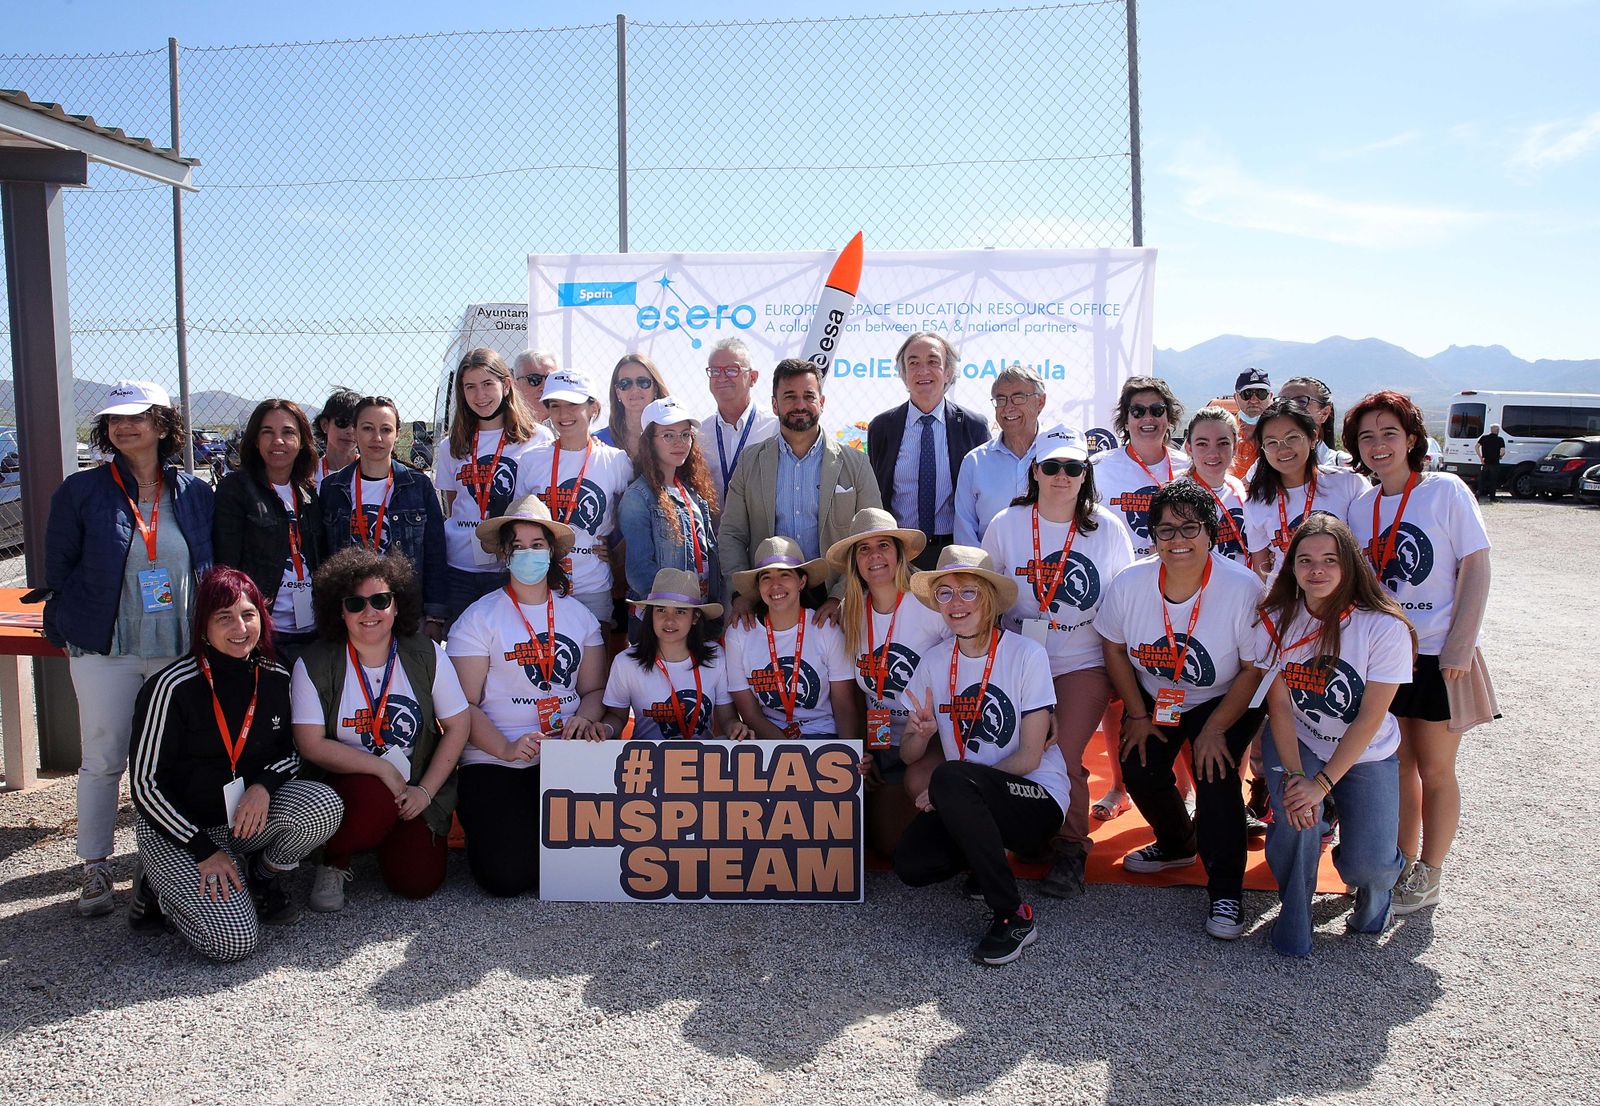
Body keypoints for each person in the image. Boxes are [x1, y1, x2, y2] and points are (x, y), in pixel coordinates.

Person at [44, 379, 215, 917]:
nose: (124, 426)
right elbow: (58, 568)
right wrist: (80, 623)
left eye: (137, 416)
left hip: (175, 646)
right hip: (106, 648)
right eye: (115, 418)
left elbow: (209, 561)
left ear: (163, 425)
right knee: (103, 754)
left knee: (166, 759)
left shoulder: (193, 492)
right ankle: (94, 868)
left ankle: (157, 864)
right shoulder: (82, 491)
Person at [127, 568, 343, 960]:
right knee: (233, 943)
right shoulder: (171, 687)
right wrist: (203, 850)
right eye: (223, 617)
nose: (239, 627)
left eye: (248, 614)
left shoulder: (275, 676)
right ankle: (154, 885)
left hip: (243, 818)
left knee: (323, 805)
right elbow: (145, 785)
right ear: (203, 626)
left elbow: (289, 753)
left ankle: (260, 878)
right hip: (183, 829)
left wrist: (263, 786)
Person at [1094, 481, 1267, 940]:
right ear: (1152, 536)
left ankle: (1227, 890)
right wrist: (1135, 712)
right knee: (1139, 766)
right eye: (1165, 530)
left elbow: (1254, 668)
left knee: (1215, 775)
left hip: (1225, 695)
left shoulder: (1241, 587)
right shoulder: (1131, 582)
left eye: (1189, 528)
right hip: (1158, 695)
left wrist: (1215, 728)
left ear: (1210, 533)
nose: (1177, 540)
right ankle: (1177, 844)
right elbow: (1112, 646)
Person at [1345, 391, 1493, 915]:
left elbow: (1476, 565)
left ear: (1412, 439)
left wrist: (1461, 643)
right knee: (1398, 764)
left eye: (1389, 433)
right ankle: (1402, 860)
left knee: (1436, 767)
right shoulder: (1361, 506)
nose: (1378, 445)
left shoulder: (1445, 490)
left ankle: (1431, 871)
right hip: (1386, 656)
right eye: (1367, 436)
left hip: (1436, 653)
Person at [892, 545, 1066, 966]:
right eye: (946, 594)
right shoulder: (934, 661)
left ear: (988, 598)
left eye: (968, 592)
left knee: (951, 778)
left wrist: (956, 788)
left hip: (1036, 798)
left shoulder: (1027, 655)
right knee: (912, 864)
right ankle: (982, 857)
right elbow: (908, 753)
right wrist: (918, 734)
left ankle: (1013, 915)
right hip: (969, 793)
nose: (956, 603)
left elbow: (1028, 757)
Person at [980, 426, 1134, 897]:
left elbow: (1124, 596)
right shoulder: (1007, 523)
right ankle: (1031, 832)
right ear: (1035, 472)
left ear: (1085, 474)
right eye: (1052, 466)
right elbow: (988, 593)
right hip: (1020, 660)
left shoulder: (1105, 527)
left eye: (1073, 467)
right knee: (1011, 750)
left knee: (1062, 753)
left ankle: (1071, 848)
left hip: (1081, 659)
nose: (1062, 476)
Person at [1256, 514, 1414, 956]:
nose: (1316, 570)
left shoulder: (1383, 626)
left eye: (1329, 559)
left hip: (1366, 752)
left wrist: (1323, 784)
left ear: (1350, 564)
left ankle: (1377, 888)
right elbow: (1280, 707)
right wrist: (1295, 778)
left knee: (1370, 864)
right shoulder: (1276, 619)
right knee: (1298, 818)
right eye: (1304, 560)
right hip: (1300, 742)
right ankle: (1294, 911)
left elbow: (1368, 718)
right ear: (1291, 567)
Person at [290, 546, 471, 911]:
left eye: (380, 600)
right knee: (373, 800)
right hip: (347, 783)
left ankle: (383, 838)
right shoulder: (314, 662)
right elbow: (309, 744)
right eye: (355, 604)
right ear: (339, 610)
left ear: (397, 604)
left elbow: (458, 725)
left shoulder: (426, 653)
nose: (369, 612)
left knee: (418, 883)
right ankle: (334, 858)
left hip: (414, 782)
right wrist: (381, 768)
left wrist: (425, 791)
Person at [446, 496, 605, 896]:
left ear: (551, 553)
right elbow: (461, 705)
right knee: (506, 879)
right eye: (519, 546)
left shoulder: (579, 616)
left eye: (538, 545)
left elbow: (594, 690)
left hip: (565, 755)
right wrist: (504, 747)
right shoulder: (479, 618)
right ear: (504, 554)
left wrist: (584, 718)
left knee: (587, 868)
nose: (529, 554)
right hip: (496, 761)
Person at [719, 358, 882, 624]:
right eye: (790, 396)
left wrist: (840, 596)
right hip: (769, 595)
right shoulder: (750, 462)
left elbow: (870, 539)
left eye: (808, 396)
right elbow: (732, 534)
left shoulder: (856, 463)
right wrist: (741, 594)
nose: (800, 405)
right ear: (774, 404)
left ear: (822, 402)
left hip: (832, 598)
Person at [830, 508, 950, 856]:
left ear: (899, 553)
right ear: (854, 561)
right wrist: (861, 753)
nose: (874, 556)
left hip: (933, 739)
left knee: (907, 841)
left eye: (883, 545)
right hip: (883, 739)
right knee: (881, 847)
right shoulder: (849, 612)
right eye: (864, 549)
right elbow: (853, 695)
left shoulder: (930, 606)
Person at [434, 348, 546, 625]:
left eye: (487, 384)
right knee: (463, 647)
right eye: (470, 387)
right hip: (459, 569)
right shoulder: (451, 446)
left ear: (506, 385)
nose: (479, 395)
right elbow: (452, 502)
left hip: (513, 566)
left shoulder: (536, 438)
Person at [319, 395, 448, 633]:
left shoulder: (418, 485)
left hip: (405, 610)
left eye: (385, 429)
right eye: (367, 428)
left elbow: (435, 553)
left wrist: (435, 616)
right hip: (352, 609)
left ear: (397, 434)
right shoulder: (332, 488)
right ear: (355, 431)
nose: (377, 438)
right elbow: (323, 554)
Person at [576, 568, 753, 741]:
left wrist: (736, 728)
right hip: (647, 763)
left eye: (680, 611)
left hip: (703, 764)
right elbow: (617, 716)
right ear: (650, 615)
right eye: (660, 610)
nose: (669, 620)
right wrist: (605, 729)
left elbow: (727, 718)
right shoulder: (626, 662)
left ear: (695, 617)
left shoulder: (716, 657)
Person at [213, 399, 324, 666]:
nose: (278, 441)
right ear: (255, 440)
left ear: (301, 441)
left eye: (288, 432)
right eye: (267, 432)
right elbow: (227, 566)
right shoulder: (236, 489)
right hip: (264, 634)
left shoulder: (308, 492)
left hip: (312, 632)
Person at [867, 332, 992, 569]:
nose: (923, 370)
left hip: (955, 553)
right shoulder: (882, 428)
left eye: (933, 361)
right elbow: (876, 493)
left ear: (948, 372)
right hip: (899, 554)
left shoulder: (973, 427)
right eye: (913, 363)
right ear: (904, 375)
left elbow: (982, 495)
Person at [523, 369, 634, 631]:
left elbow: (637, 515)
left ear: (593, 407)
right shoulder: (531, 459)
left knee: (593, 664)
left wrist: (618, 551)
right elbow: (519, 520)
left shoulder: (615, 461)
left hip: (592, 585)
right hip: (541, 583)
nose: (563, 415)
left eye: (573, 405)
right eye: (555, 406)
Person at [724, 537, 859, 740]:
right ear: (759, 588)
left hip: (822, 735)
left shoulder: (826, 629)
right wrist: (790, 753)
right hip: (768, 738)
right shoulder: (739, 634)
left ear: (801, 582)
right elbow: (750, 714)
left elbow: (844, 705)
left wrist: (851, 757)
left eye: (785, 575)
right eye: (766, 577)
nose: (775, 585)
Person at [1242, 399, 1370, 584]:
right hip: (1285, 605)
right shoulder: (1256, 501)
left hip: (1341, 601)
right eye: (1272, 443)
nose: (1283, 449)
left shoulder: (1348, 483)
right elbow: (1262, 567)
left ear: (1313, 438)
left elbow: (1366, 549)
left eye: (1292, 438)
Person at [617, 396, 720, 622]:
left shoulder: (693, 492)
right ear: (649, 442)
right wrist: (671, 613)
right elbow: (640, 571)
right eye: (668, 435)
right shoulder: (639, 496)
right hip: (663, 621)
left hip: (697, 612)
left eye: (685, 435)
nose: (679, 442)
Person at [953, 364, 1051, 546]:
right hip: (989, 572)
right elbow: (965, 535)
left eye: (1018, 398)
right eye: (1001, 399)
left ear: (1040, 402)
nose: (1008, 407)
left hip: (1051, 570)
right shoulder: (975, 462)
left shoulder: (1060, 457)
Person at [1093, 376, 1189, 559]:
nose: (1148, 418)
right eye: (1137, 411)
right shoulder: (1097, 468)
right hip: (1117, 580)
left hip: (1174, 577)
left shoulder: (1188, 468)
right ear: (1126, 422)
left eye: (1157, 410)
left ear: (1169, 419)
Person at [696, 337, 778, 506]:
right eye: (715, 371)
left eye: (732, 370)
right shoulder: (700, 434)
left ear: (753, 377)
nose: (722, 377)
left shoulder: (775, 428)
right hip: (714, 531)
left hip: (762, 531)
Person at [1181, 406, 1250, 566]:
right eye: (1202, 444)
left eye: (1223, 443)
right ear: (1189, 448)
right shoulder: (1175, 495)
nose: (1213, 453)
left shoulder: (1237, 487)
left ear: (1236, 447)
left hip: (1240, 586)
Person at [595, 352, 669, 457]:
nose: (634, 389)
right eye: (625, 383)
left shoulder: (672, 439)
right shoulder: (598, 442)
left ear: (655, 388)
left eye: (643, 382)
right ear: (618, 392)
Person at [1278, 376, 1352, 467]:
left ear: (1324, 413)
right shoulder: (1263, 467)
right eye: (1282, 401)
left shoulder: (1344, 467)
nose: (1289, 407)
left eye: (1301, 401)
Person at [312, 387, 362, 490]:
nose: (350, 431)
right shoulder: (309, 474)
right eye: (342, 422)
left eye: (356, 424)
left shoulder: (372, 472)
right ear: (325, 425)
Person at [1228, 368, 1273, 480]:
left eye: (1261, 393)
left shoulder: (1282, 431)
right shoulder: (1221, 430)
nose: (1253, 400)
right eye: (1246, 394)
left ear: (1270, 396)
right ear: (1235, 397)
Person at [510, 349, 558, 444]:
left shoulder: (572, 424)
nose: (544, 387)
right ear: (515, 384)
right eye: (534, 379)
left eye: (551, 379)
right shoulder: (505, 426)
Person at [1475, 423, 1506, 502]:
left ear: (1491, 430)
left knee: (1482, 480)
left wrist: (1481, 457)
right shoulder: (1500, 439)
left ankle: (1477, 496)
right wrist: (1500, 456)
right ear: (1497, 430)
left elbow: (1476, 447)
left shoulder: (1484, 438)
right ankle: (1492, 498)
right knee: (1493, 481)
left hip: (1485, 462)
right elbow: (1503, 451)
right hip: (1495, 462)